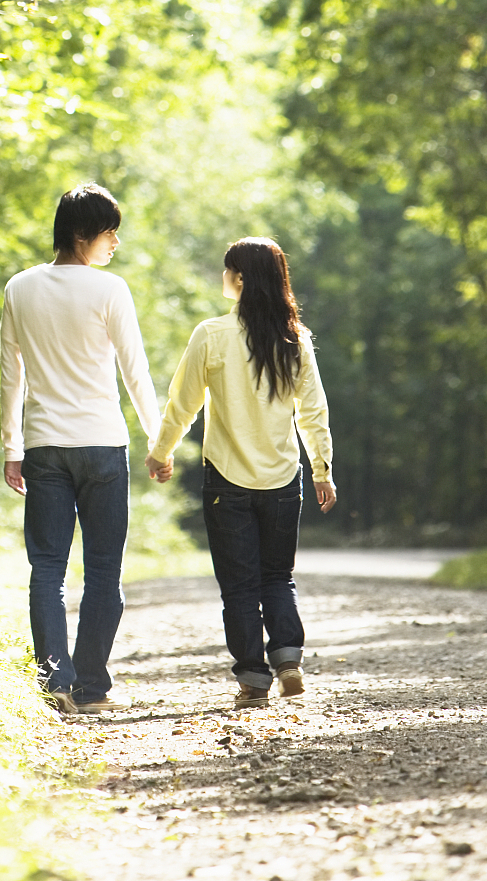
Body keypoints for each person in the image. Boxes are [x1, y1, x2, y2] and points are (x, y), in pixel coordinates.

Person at [146, 236, 336, 707]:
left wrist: (160, 452)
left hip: (226, 480)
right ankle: (288, 656)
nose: (222, 276)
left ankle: (253, 677)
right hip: (281, 478)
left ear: (241, 278)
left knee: (239, 585)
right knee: (278, 577)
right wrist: (322, 469)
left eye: (226, 269)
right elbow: (313, 412)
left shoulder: (211, 334)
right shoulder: (295, 338)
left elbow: (182, 403)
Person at [1, 182, 162, 716]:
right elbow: (134, 371)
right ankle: (91, 687)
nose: (114, 243)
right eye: (108, 233)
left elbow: (12, 376)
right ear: (80, 235)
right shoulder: (109, 290)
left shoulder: (19, 287)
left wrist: (12, 445)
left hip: (45, 446)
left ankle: (56, 683)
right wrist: (158, 439)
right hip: (102, 447)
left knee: (46, 568)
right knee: (102, 571)